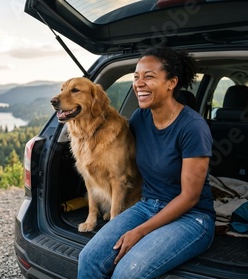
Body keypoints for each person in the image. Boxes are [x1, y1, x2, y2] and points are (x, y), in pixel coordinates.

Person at [77, 47, 215, 279]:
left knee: (126, 273)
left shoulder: (193, 127)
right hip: (147, 204)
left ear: (171, 83)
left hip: (192, 217)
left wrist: (139, 232)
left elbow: (189, 197)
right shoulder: (140, 117)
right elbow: (112, 140)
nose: (139, 83)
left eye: (149, 77)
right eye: (136, 77)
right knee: (88, 259)